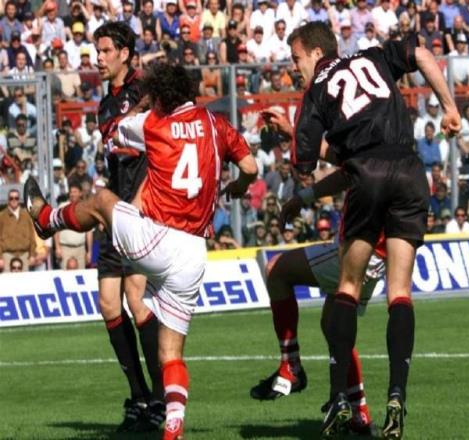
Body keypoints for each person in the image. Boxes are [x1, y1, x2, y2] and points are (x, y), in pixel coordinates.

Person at [25, 61, 257, 440]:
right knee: (171, 354)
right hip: (194, 254)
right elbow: (249, 166)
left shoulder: (152, 123)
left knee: (102, 199)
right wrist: (239, 186)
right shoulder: (217, 124)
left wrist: (140, 105)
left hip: (157, 238)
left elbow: (113, 133)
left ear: (160, 95)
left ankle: (47, 219)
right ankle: (173, 425)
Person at [283, 22, 460, 438]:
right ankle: (397, 396)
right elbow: (421, 53)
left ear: (315, 53)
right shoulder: (373, 56)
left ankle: (339, 400)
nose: (294, 68)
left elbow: (304, 163)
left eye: (296, 59)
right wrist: (449, 107)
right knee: (400, 291)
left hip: (367, 172)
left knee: (347, 286)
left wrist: (304, 142)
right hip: (410, 169)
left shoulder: (315, 91)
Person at [250, 172, 386, 437]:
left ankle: (291, 366)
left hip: (357, 249)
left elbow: (345, 171)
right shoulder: (397, 159)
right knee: (334, 328)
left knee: (276, 269)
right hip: (377, 254)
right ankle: (359, 412)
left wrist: (302, 196)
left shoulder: (368, 152)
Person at [93, 22, 164, 433]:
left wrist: (140, 202)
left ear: (124, 53)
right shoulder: (106, 103)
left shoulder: (145, 90)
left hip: (141, 210)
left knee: (137, 301)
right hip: (113, 211)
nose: (98, 58)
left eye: (105, 51)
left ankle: (161, 398)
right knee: (108, 304)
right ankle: (138, 395)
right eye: (97, 51)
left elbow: (158, 148)